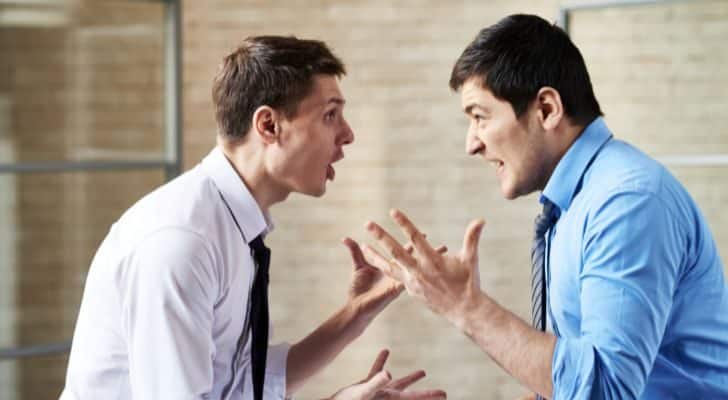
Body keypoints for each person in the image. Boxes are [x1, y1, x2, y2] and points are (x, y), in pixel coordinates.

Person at [359, 14, 728, 400]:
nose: (472, 144)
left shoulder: (626, 203)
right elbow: (570, 379)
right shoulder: (577, 203)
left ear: (548, 109)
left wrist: (466, 307)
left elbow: (605, 391)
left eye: (480, 117)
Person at [60, 36, 445, 400]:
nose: (348, 135)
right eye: (330, 115)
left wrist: (356, 312)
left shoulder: (231, 226)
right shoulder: (182, 243)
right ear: (268, 126)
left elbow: (244, 383)